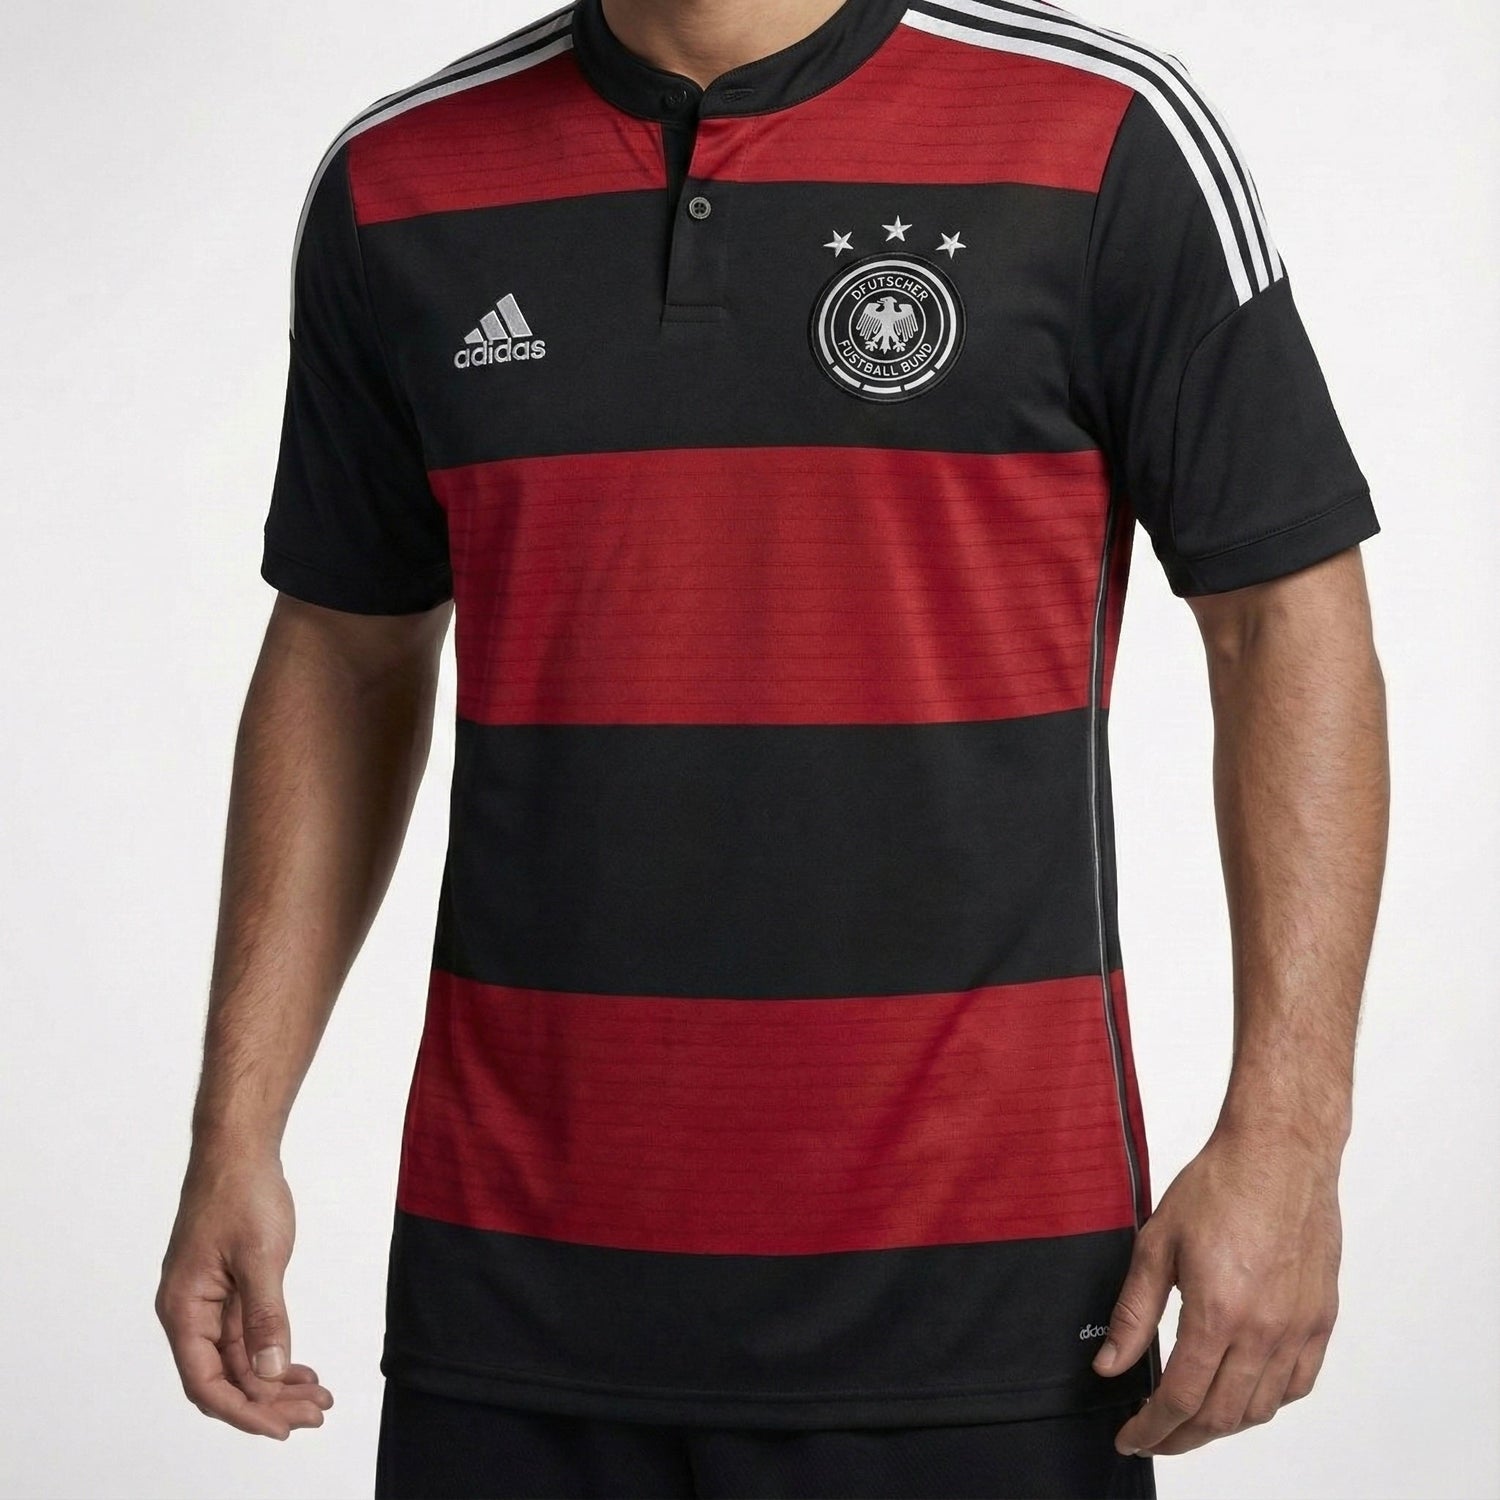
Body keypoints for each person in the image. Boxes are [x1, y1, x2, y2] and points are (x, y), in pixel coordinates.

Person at [155, 0, 1389, 1495]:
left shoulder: (1104, 136)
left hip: (987, 1305)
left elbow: (1281, 621)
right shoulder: (397, 180)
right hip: (517, 1307)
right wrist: (236, 1130)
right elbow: (344, 651)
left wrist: (1289, 1141)